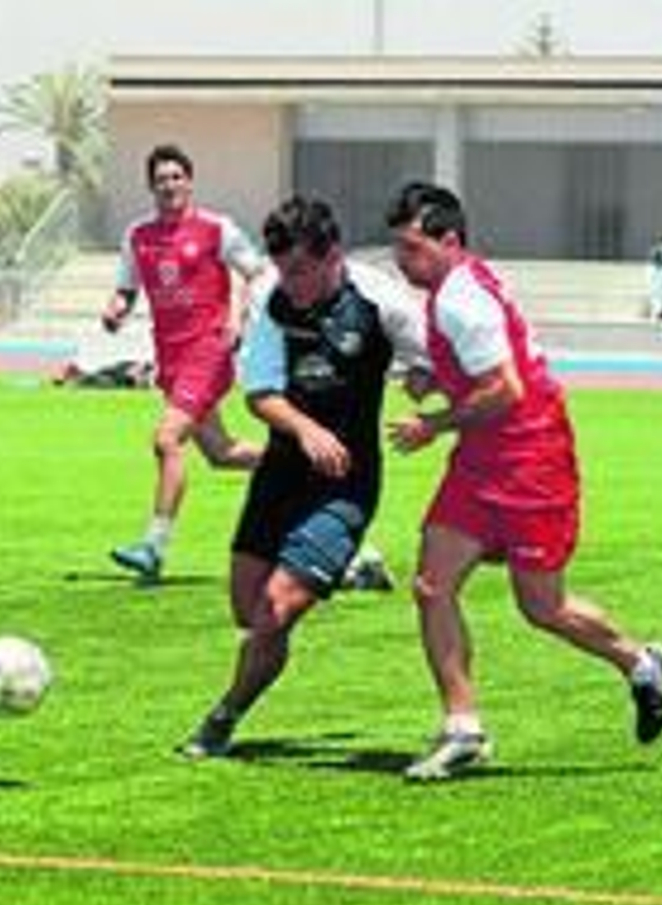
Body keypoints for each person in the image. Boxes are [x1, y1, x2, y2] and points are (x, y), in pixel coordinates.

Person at [384, 181, 662, 781]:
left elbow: (505, 389)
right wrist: (435, 379)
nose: (401, 261)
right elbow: (485, 374)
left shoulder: (462, 299)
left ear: (450, 241)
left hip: (531, 459)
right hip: (482, 459)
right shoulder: (455, 286)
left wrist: (432, 422)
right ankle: (463, 727)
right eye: (397, 248)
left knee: (542, 607)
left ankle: (640, 661)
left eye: (412, 249)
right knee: (432, 587)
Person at [178, 195, 429, 759]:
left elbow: (440, 357)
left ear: (332, 255)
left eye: (301, 270)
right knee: (247, 611)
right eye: (283, 269)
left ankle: (222, 719)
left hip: (346, 483)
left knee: (272, 614)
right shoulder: (273, 296)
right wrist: (306, 430)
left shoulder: (382, 301)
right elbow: (260, 394)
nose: (290, 283)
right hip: (281, 474)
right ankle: (352, 570)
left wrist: (424, 379)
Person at [102, 144, 268, 584]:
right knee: (222, 453)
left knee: (166, 439)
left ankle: (153, 546)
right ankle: (295, 462)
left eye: (177, 177)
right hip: (172, 359)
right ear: (151, 187)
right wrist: (116, 308)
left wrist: (238, 317)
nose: (170, 185)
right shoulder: (138, 236)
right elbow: (127, 288)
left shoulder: (217, 228)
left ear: (189, 182)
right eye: (161, 180)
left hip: (210, 351)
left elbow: (256, 271)